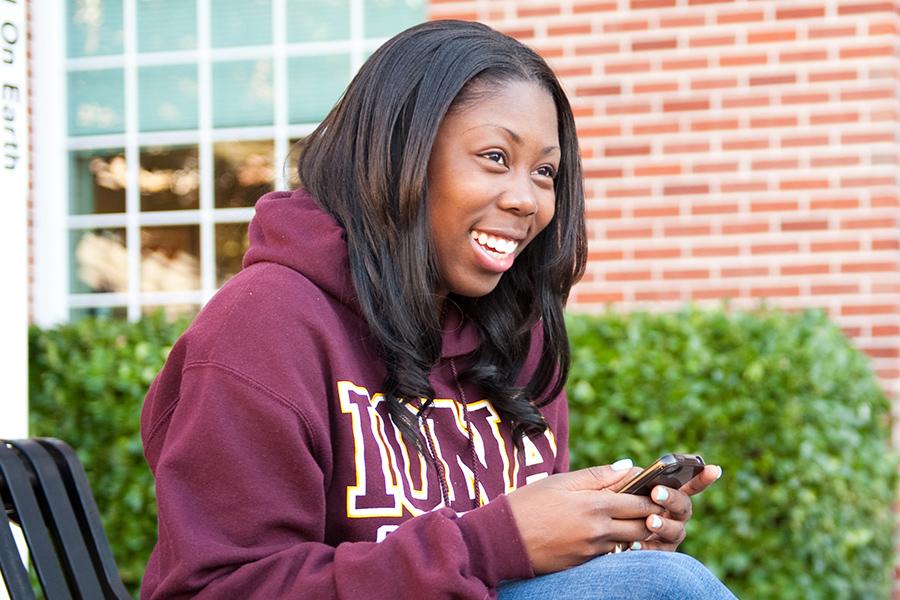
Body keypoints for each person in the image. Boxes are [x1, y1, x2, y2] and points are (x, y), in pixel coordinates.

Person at [140, 20, 736, 599]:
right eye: (496, 157)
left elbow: (519, 574)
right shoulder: (263, 327)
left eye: (546, 172)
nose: (526, 199)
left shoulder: (514, 340)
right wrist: (490, 544)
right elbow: (218, 588)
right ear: (400, 153)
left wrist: (608, 543)